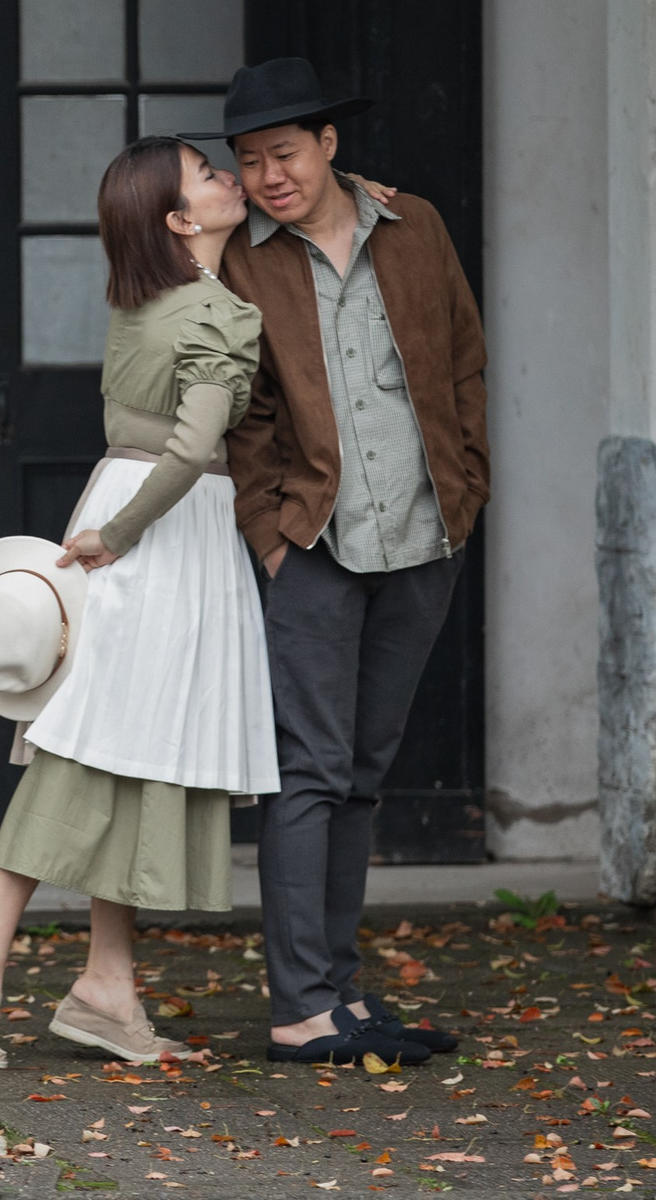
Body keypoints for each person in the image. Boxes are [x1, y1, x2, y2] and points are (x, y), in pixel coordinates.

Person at [0, 137, 290, 1070]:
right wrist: (123, 536)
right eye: (208, 175)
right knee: (96, 748)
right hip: (164, 533)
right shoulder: (216, 312)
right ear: (180, 219)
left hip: (121, 511)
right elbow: (193, 447)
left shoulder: (141, 304)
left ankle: (107, 985)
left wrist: (113, 529)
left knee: (126, 744)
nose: (228, 178)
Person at [200, 55, 490, 1068]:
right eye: (249, 160)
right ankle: (297, 1005)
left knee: (361, 776)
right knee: (308, 774)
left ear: (328, 145)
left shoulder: (412, 231)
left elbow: (462, 356)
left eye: (284, 152)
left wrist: (470, 480)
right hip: (313, 541)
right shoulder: (238, 257)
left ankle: (337, 989)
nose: (270, 174)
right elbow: (240, 413)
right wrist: (269, 535)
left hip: (424, 533)